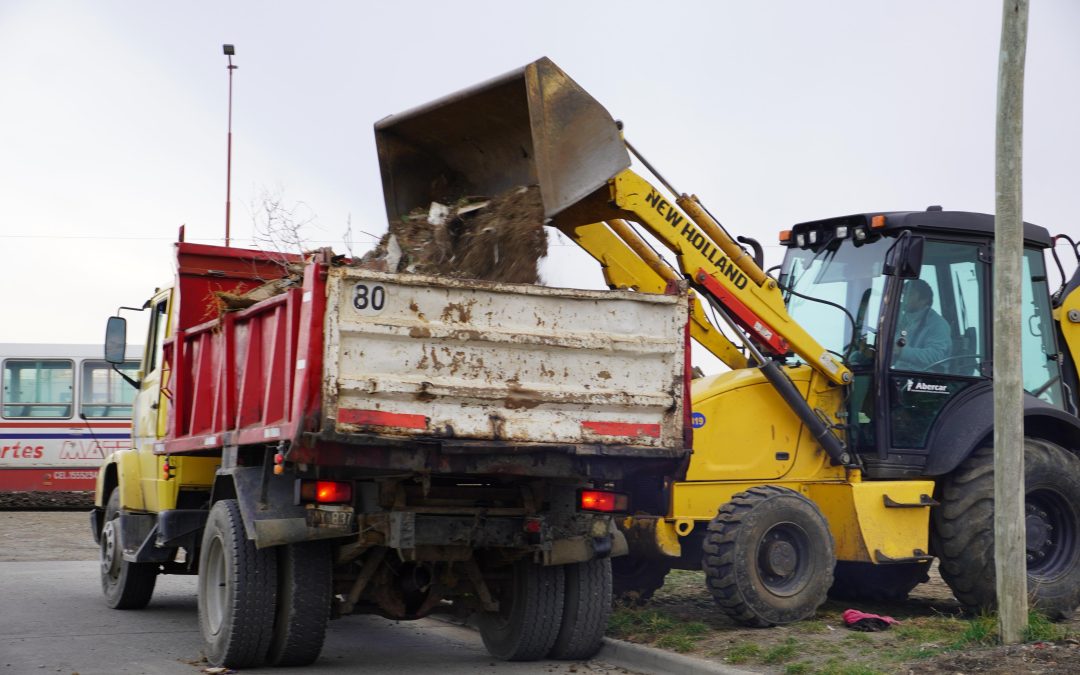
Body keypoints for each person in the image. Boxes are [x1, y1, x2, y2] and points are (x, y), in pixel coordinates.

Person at [891, 278, 951, 371]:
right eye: (904, 294)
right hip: (900, 376)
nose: (904, 298)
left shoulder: (937, 324)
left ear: (924, 300)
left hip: (926, 381)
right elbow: (894, 354)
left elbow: (936, 356)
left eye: (910, 294)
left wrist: (901, 352)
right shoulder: (904, 321)